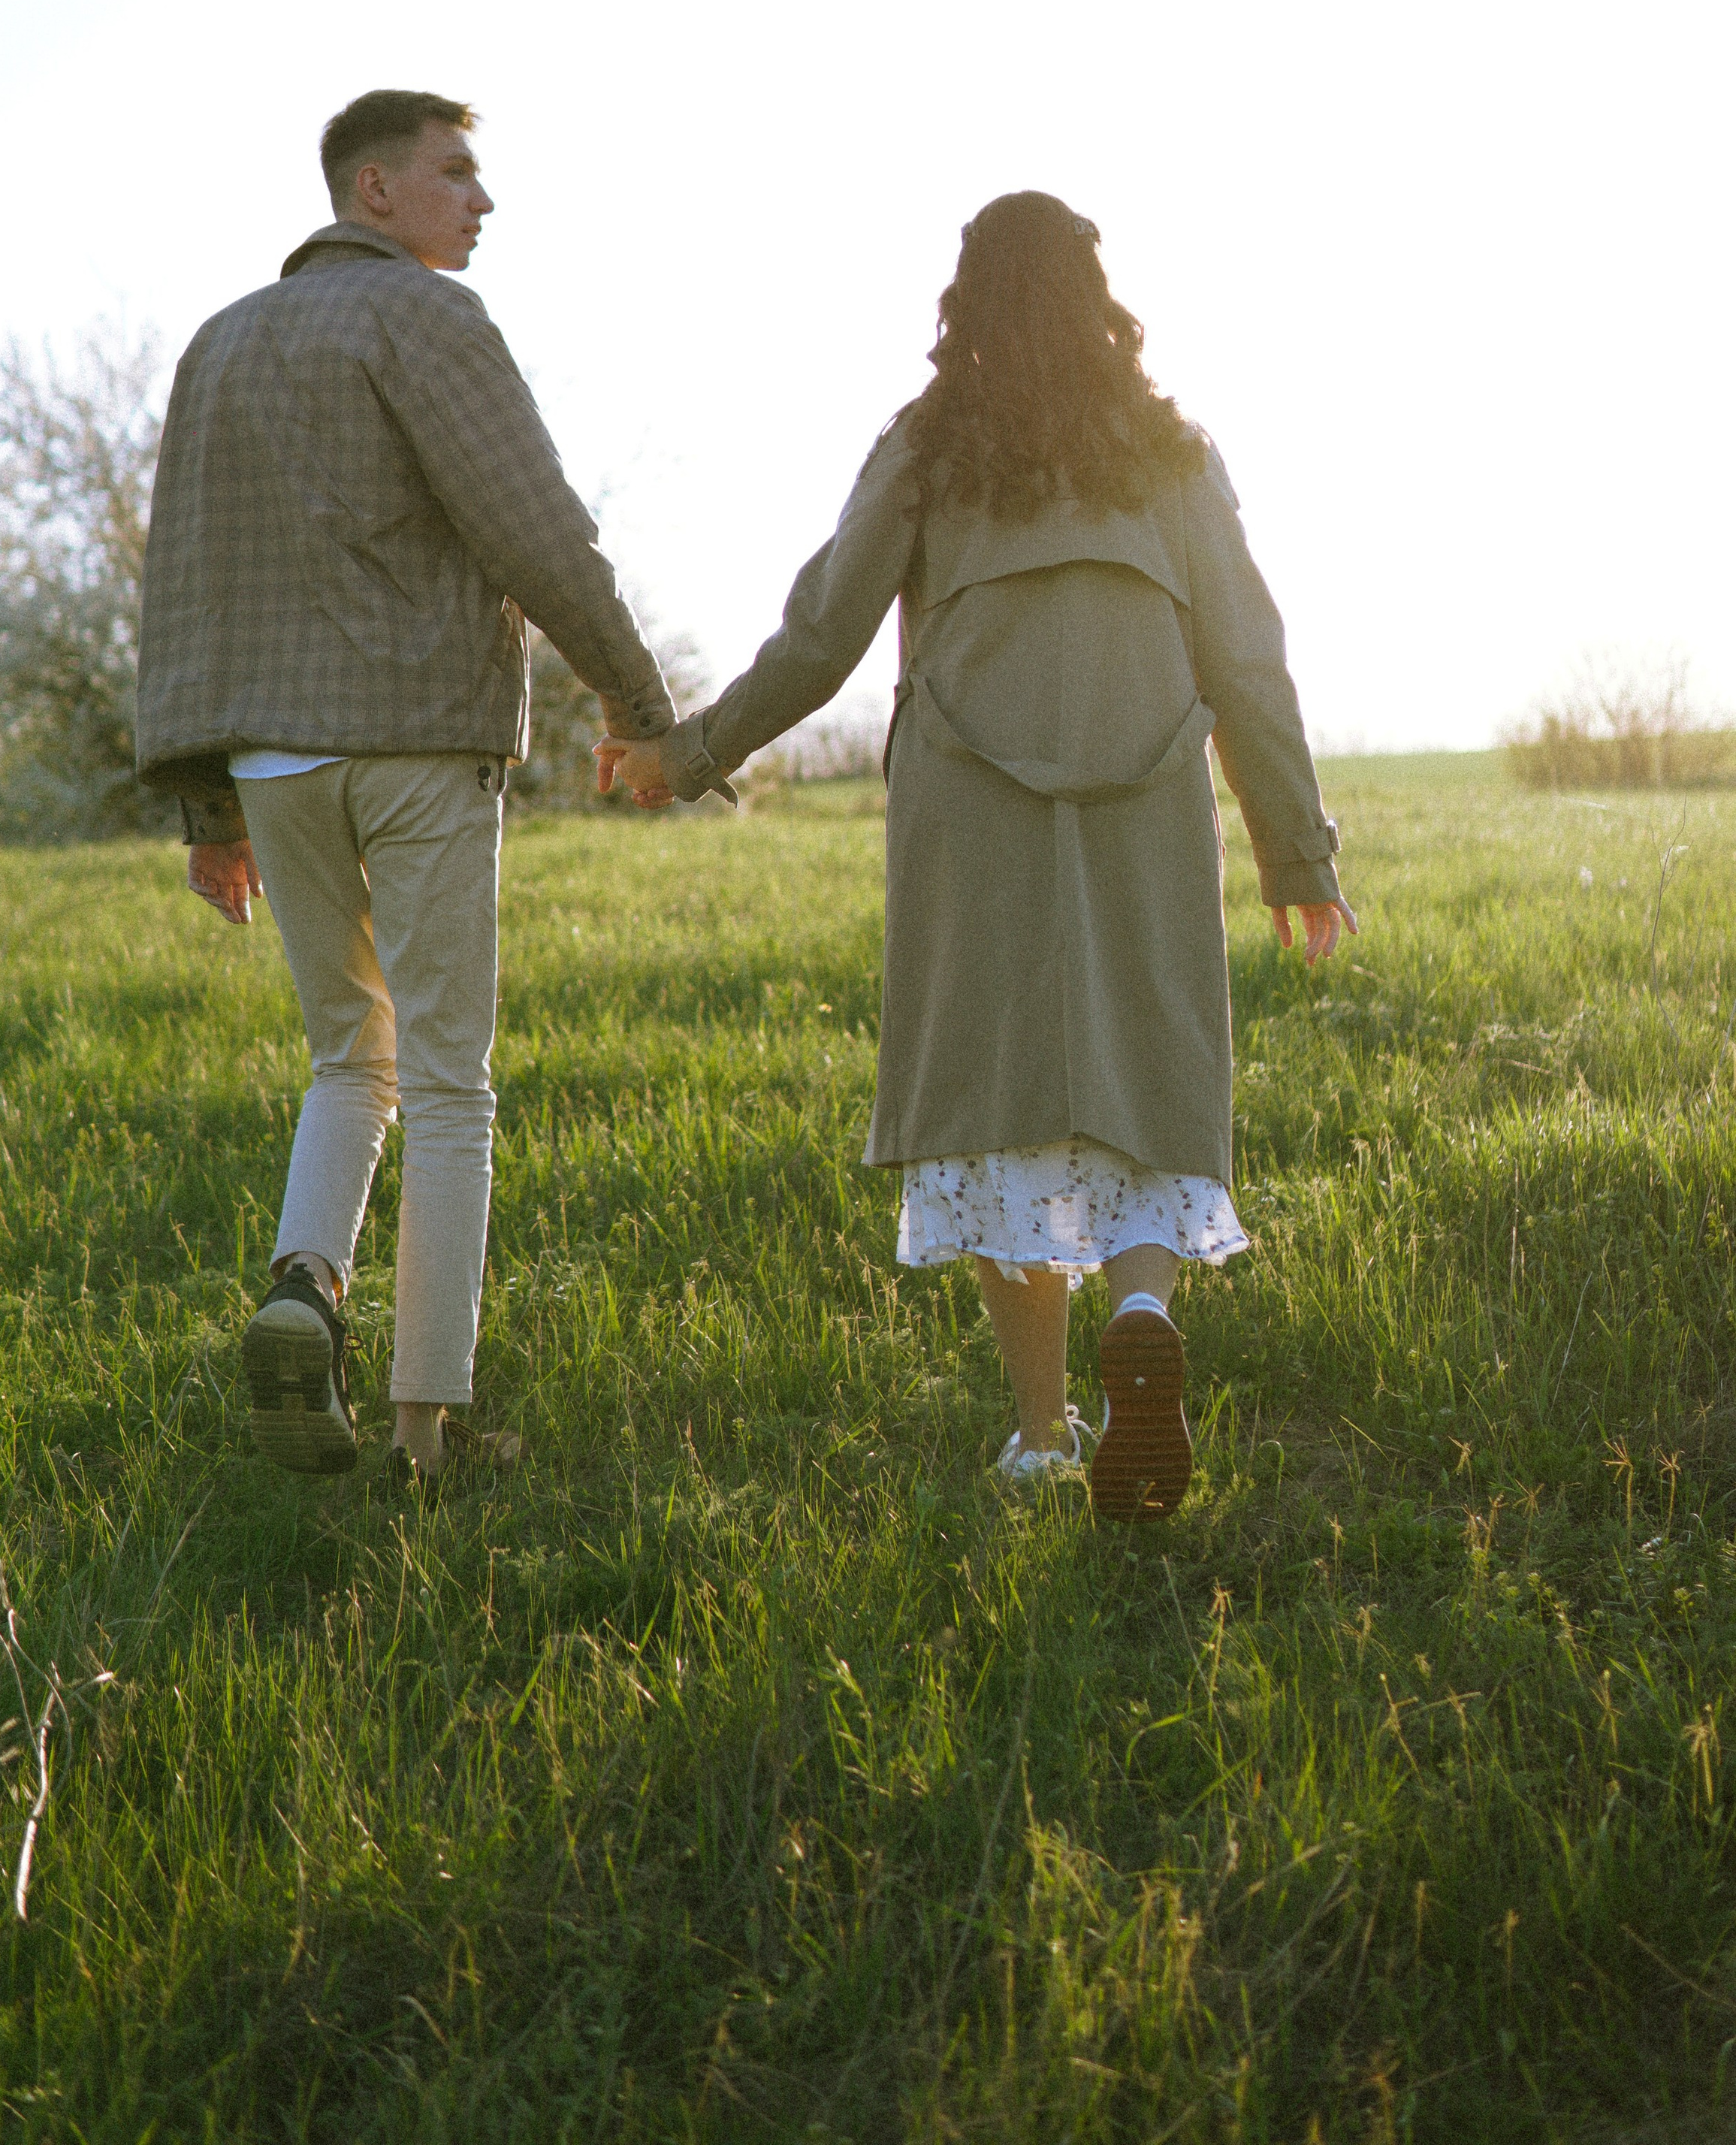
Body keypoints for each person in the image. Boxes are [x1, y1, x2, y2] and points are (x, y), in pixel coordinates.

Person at [596, 191, 1353, 1521]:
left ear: (967, 301)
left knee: (1001, 1096)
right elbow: (1249, 658)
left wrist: (688, 753)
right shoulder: (1173, 453)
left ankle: (1045, 1435)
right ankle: (1141, 1309)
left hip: (970, 804)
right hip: (1148, 788)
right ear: (1097, 293)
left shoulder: (929, 443)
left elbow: (821, 637)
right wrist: (1298, 858)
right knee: (1148, 1052)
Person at [136, 89, 675, 1494]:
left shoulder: (219, 344)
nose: (480, 204)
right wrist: (636, 699)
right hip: (419, 740)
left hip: (272, 759)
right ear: (371, 190)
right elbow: (536, 528)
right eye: (455, 177)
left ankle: (302, 1289)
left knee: (345, 1059)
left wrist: (211, 809)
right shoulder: (428, 321)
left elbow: (184, 588)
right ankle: (424, 1432)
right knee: (446, 1078)